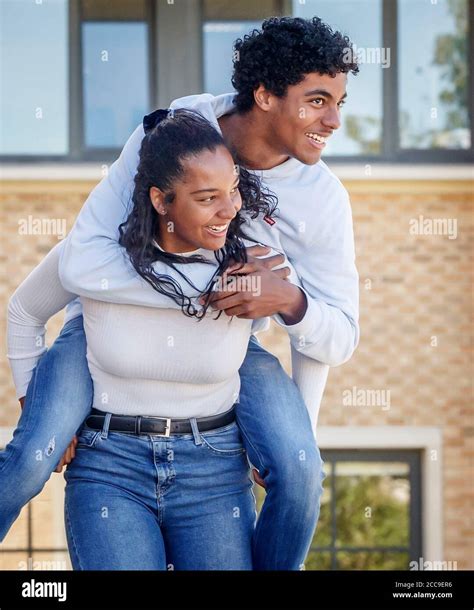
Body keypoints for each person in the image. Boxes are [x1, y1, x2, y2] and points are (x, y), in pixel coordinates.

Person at [2, 16, 359, 570]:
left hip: (235, 343)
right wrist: (212, 289)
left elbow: (334, 339)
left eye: (339, 102)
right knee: (30, 456)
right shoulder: (173, 133)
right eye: (317, 101)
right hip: (107, 327)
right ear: (264, 95)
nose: (334, 120)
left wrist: (286, 301)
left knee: (301, 469)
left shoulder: (322, 199)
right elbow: (83, 258)